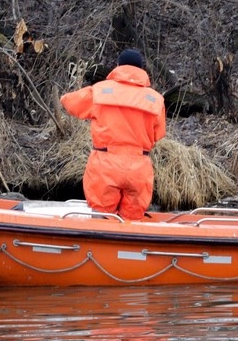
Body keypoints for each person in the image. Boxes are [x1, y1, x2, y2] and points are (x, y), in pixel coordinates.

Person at [60, 48, 166, 221]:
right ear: (141, 69)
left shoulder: (100, 91)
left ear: (118, 66)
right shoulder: (156, 100)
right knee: (133, 221)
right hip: (139, 167)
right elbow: (158, 134)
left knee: (102, 219)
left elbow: (69, 102)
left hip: (105, 164)